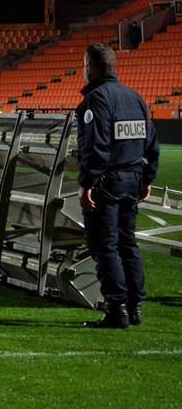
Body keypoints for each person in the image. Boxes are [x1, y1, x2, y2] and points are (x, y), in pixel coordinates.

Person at [76, 42, 159, 329]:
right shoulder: (135, 98)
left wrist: (86, 183)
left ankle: (117, 309)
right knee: (128, 243)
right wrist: (148, 178)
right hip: (132, 179)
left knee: (105, 246)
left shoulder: (96, 100)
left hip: (106, 182)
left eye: (85, 64)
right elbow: (151, 143)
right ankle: (135, 307)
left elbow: (95, 145)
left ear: (93, 67)